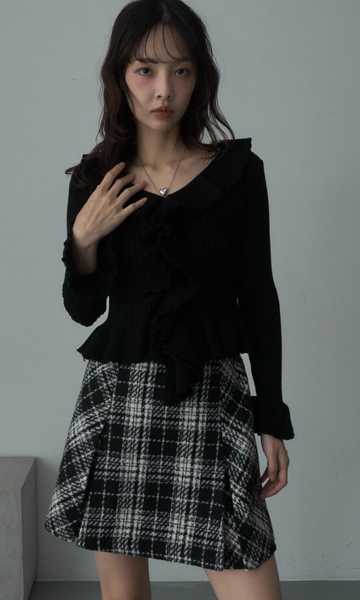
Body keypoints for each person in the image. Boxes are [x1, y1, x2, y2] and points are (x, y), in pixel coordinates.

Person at [45, 1, 295, 598]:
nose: (164, 89)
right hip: (119, 399)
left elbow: (259, 296)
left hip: (212, 395)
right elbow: (83, 310)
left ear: (199, 77)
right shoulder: (96, 181)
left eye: (181, 70)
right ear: (120, 75)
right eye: (146, 70)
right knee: (124, 595)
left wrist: (271, 416)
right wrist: (83, 241)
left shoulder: (238, 173)